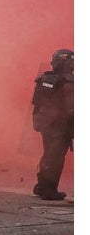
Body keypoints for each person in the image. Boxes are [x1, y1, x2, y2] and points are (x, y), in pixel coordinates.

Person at [31, 49, 73, 200]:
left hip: (46, 124)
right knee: (56, 158)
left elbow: (36, 103)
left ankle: (41, 186)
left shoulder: (45, 79)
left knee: (49, 155)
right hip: (60, 126)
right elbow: (71, 108)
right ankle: (49, 190)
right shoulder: (68, 82)